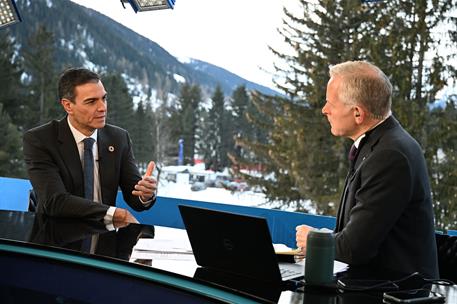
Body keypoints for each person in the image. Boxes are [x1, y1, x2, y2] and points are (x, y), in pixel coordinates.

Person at [296, 61, 439, 279]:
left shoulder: (389, 155)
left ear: (357, 114)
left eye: (330, 103)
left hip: (396, 293)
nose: (325, 110)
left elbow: (355, 249)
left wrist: (313, 240)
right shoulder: (379, 144)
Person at [23, 68, 157, 224]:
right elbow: (55, 202)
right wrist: (113, 214)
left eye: (104, 98)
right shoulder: (40, 140)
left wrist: (145, 194)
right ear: (68, 106)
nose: (103, 107)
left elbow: (135, 198)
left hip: (103, 237)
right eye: (91, 101)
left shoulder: (119, 138)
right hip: (56, 235)